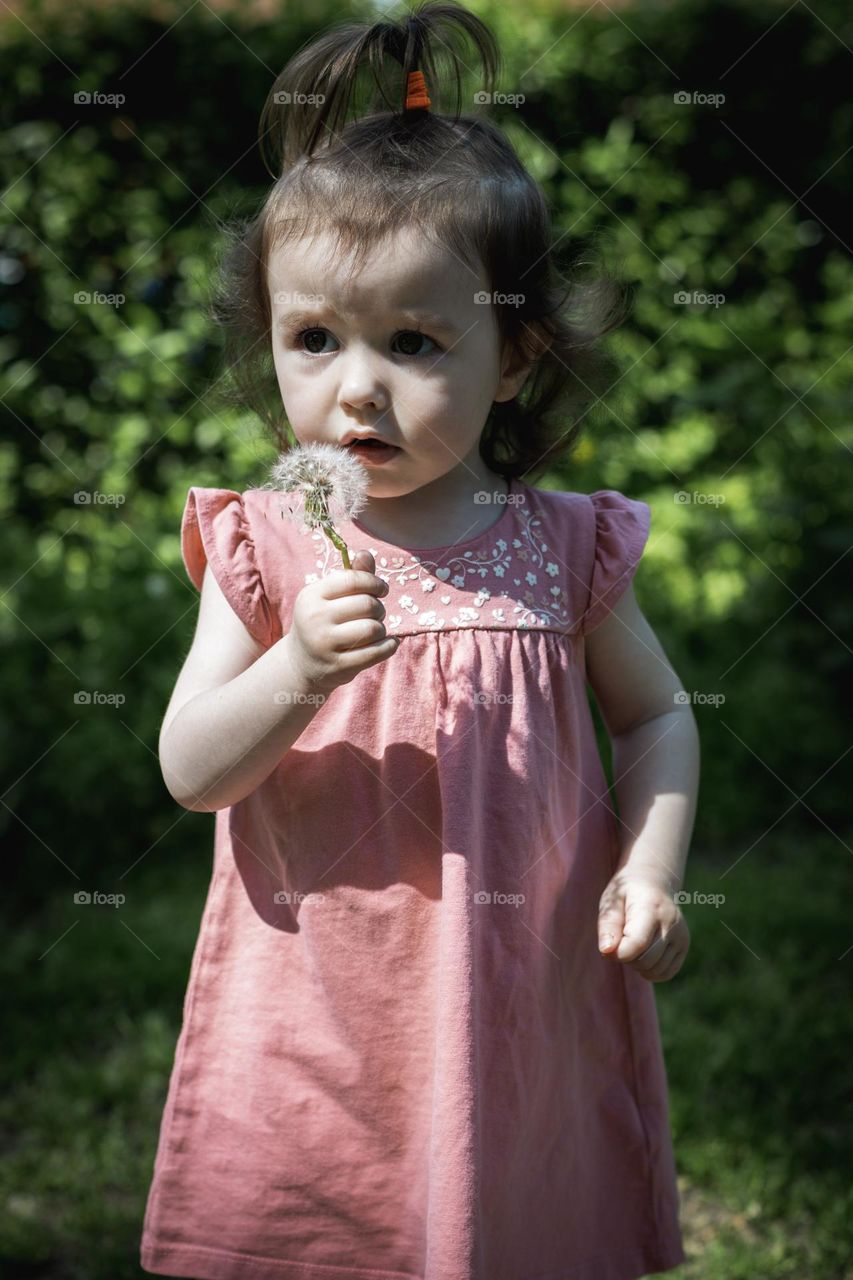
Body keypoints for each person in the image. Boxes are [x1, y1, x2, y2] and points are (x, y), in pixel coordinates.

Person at [140, 3, 700, 1277]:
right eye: (314, 339)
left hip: (518, 993)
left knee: (507, 1216)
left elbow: (657, 715)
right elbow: (189, 767)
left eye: (415, 342)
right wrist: (292, 671)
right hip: (324, 1004)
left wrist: (654, 868)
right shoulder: (268, 547)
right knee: (324, 1221)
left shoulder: (565, 547)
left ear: (514, 357)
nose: (356, 387)